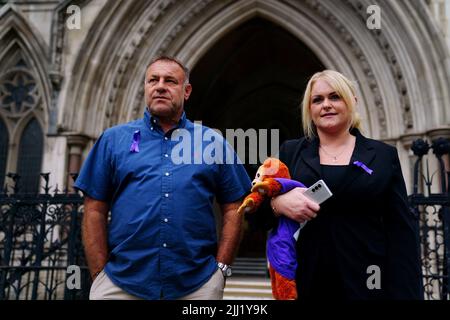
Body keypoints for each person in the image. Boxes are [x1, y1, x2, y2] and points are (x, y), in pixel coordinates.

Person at [74, 56, 251, 300]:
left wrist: (220, 270)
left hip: (196, 286)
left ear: (186, 91)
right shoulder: (113, 140)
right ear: (145, 88)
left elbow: (235, 208)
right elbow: (94, 210)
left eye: (170, 81)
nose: (160, 86)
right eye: (152, 80)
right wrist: (99, 273)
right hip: (120, 283)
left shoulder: (213, 142)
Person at [269, 70, 423, 300]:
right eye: (317, 99)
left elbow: (401, 231)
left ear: (352, 101)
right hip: (307, 279)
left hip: (369, 279)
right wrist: (277, 204)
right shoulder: (291, 152)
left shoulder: (383, 155)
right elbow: (254, 212)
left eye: (335, 97)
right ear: (309, 109)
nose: (326, 105)